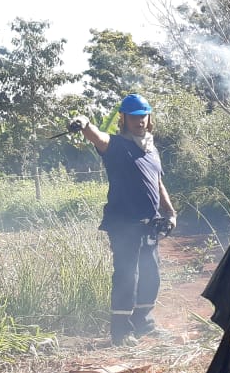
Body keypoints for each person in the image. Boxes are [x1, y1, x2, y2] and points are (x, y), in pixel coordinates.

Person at [70, 94, 177, 346]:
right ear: (124, 118)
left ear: (149, 118)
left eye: (143, 116)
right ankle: (121, 332)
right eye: (134, 117)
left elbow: (158, 183)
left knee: (151, 275)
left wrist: (170, 212)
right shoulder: (116, 145)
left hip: (150, 224)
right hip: (123, 225)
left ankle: (144, 324)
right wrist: (84, 123)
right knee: (128, 276)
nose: (140, 121)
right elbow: (98, 137)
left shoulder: (151, 149)